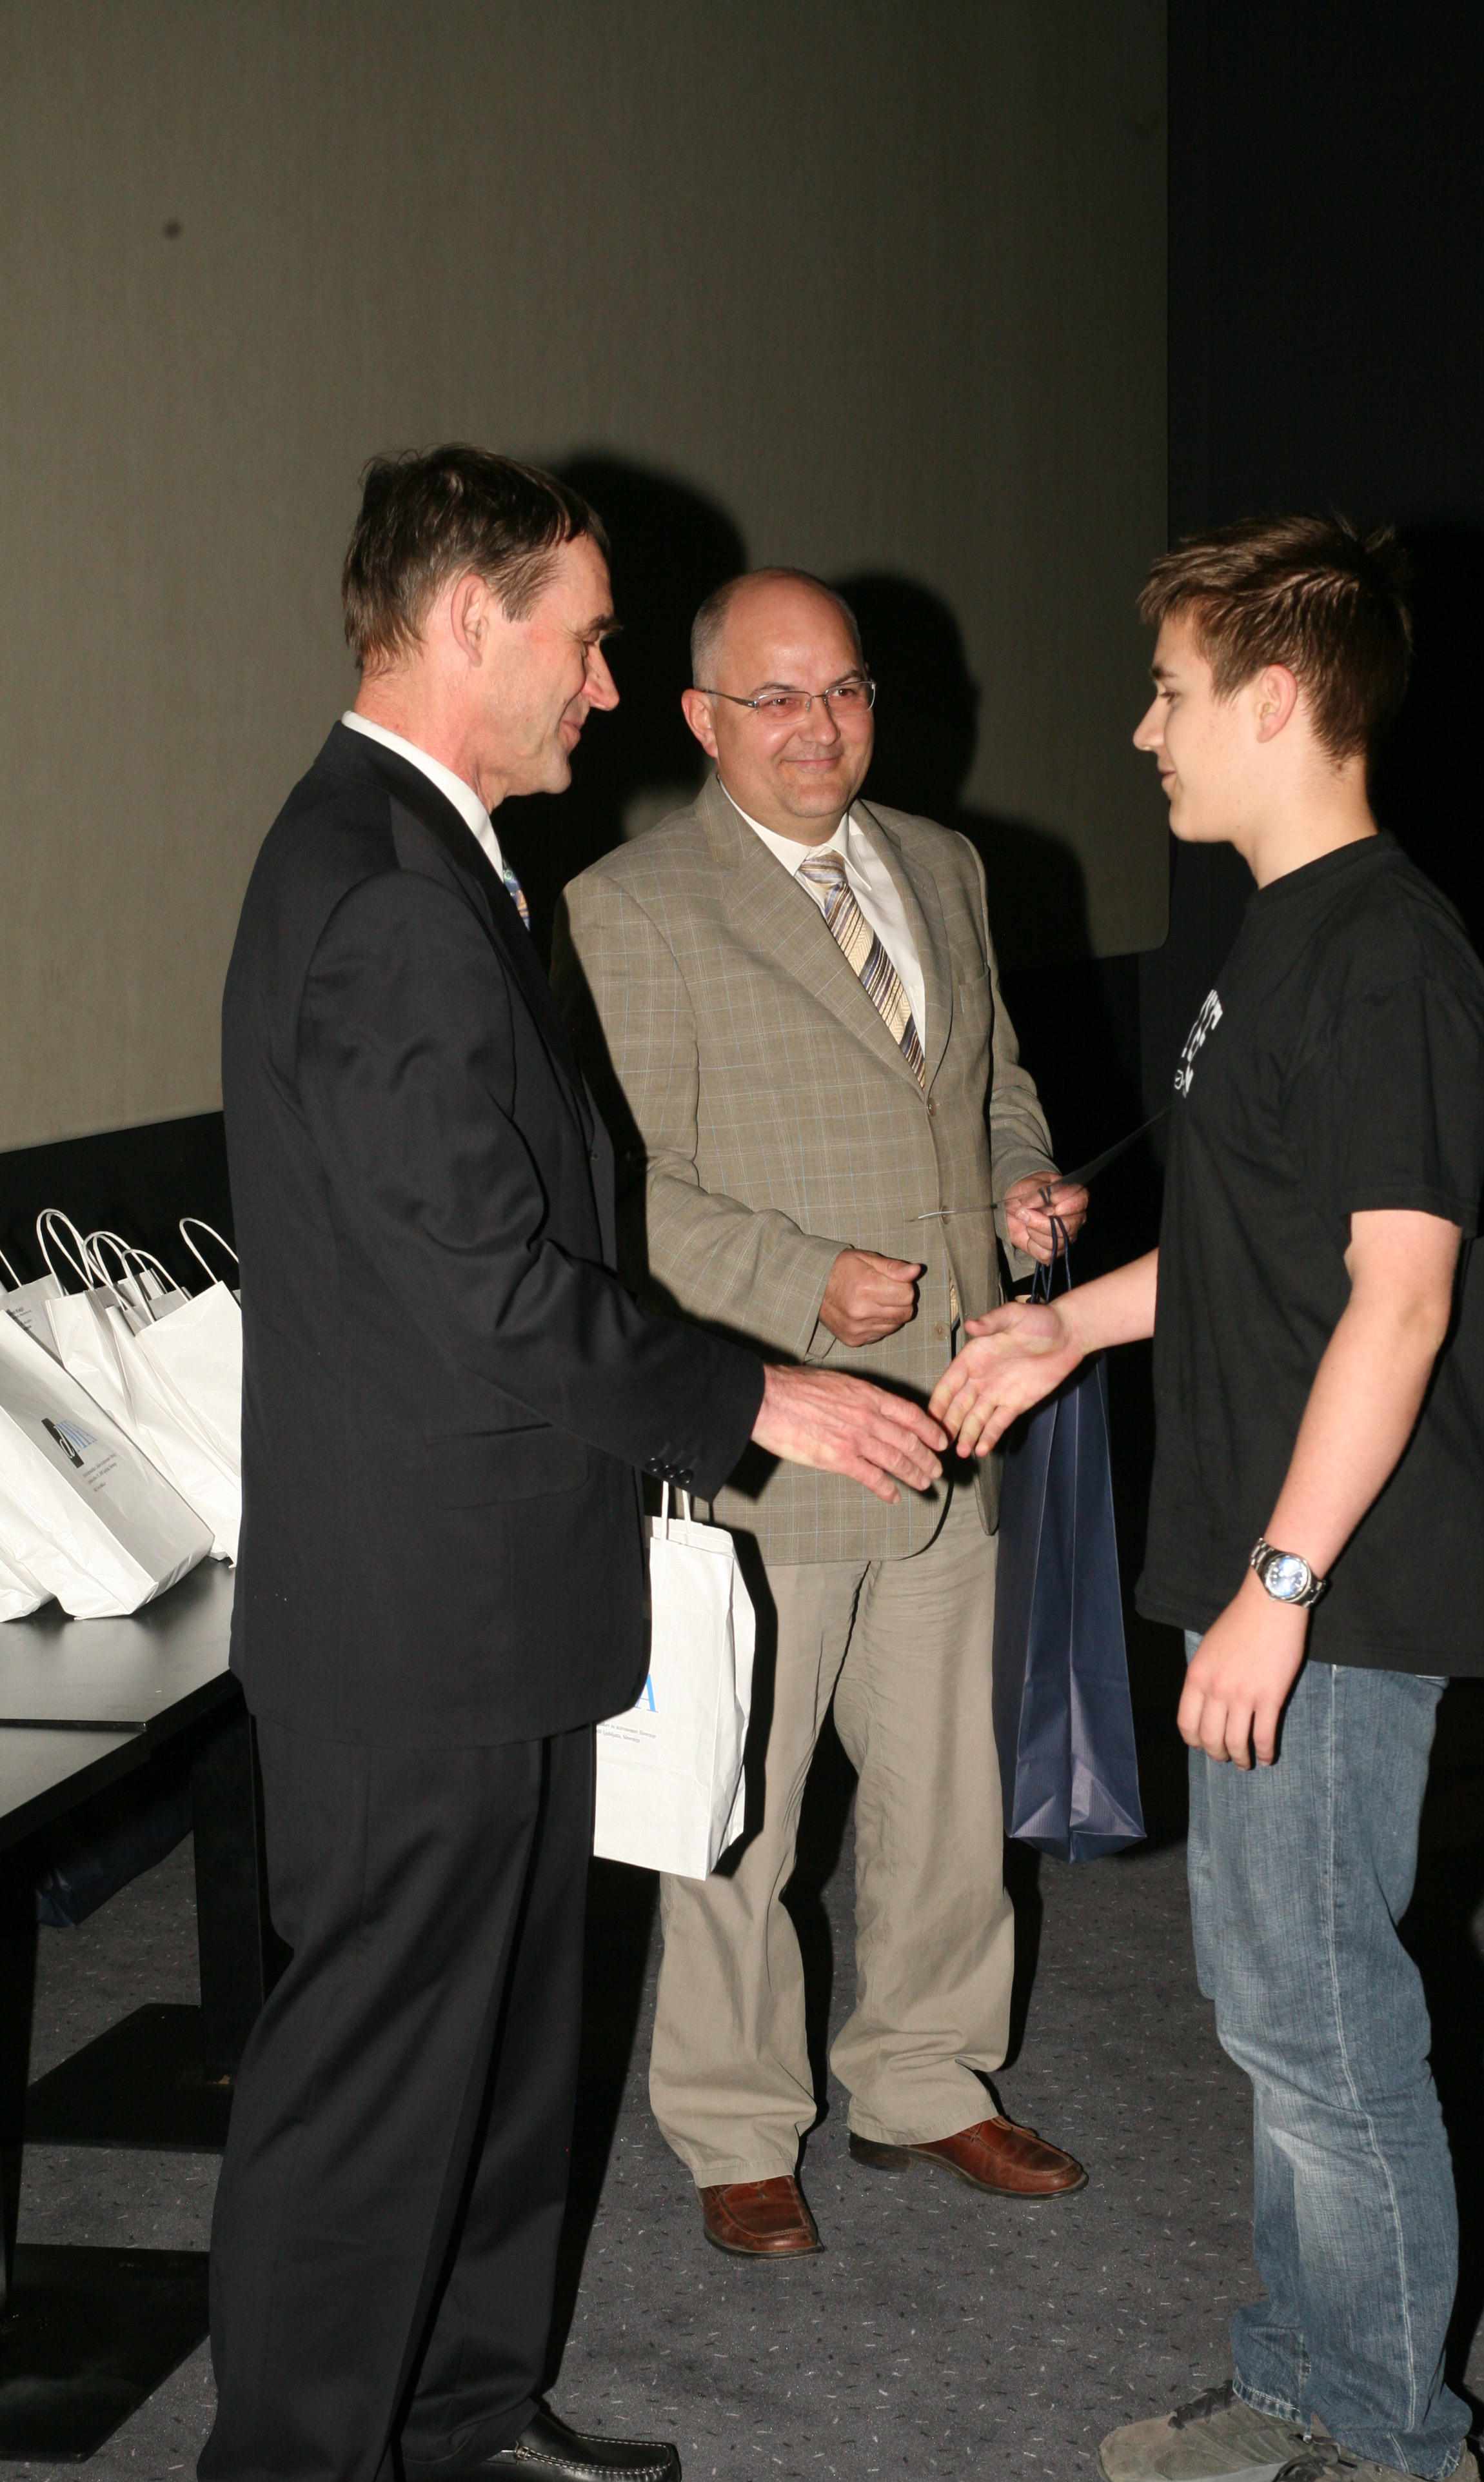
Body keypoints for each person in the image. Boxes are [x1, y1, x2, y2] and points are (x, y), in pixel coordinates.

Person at [204, 453, 947, 2482]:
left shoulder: (433, 856)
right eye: (589, 638)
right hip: (411, 1615)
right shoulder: (382, 887)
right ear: (467, 627)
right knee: (371, 2077)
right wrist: (753, 1393)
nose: (609, 686)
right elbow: (486, 1288)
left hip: (499, 1584)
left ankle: (457, 2409)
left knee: (518, 2034)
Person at [933, 513, 1484, 2482]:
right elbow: (1262, 1251)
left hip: (1345, 1572)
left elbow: (1400, 1298)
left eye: (1173, 693)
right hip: (1272, 1552)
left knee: (1328, 2019)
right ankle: (1306, 2373)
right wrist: (1071, 1330)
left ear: (1279, 701)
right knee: (1271, 2001)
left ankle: (1404, 2459)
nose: (1145, 730)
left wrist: (1282, 1589)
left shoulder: (1389, 957)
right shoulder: (1278, 936)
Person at [551, 568, 1088, 2259]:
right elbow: (617, 1188)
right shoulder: (629, 907)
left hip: (957, 1415)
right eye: (774, 698)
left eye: (844, 689)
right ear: (700, 719)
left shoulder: (944, 865)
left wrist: (1022, 1188)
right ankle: (734, 2123)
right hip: (770, 1427)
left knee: (948, 1793)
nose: (819, 726)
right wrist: (798, 1281)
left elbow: (995, 1084)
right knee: (745, 1802)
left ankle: (925, 2077)